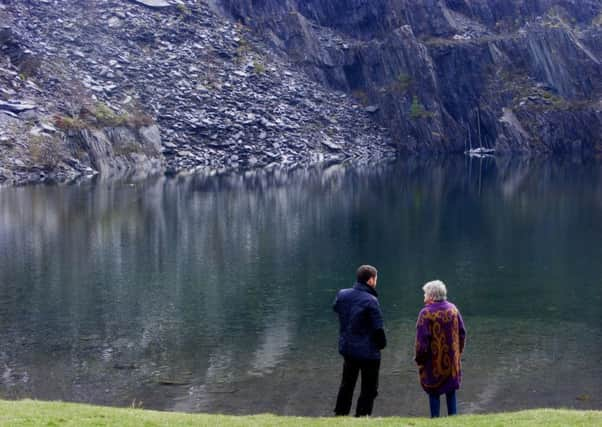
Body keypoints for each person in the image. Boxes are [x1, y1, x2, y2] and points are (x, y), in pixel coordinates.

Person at [333, 265, 387, 417]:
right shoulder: (371, 300)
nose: (376, 282)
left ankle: (340, 415)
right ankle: (362, 417)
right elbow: (378, 328)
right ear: (370, 280)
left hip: (348, 348)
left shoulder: (342, 294)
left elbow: (336, 308)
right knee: (369, 388)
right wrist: (382, 345)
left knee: (347, 384)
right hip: (368, 352)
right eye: (376, 279)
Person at [414, 280, 466, 418]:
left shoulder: (426, 313)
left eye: (425, 293)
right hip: (452, 360)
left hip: (433, 362)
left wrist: (419, 359)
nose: (424, 296)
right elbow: (462, 332)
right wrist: (458, 352)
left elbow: (422, 341)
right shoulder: (453, 309)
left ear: (431, 295)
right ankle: (453, 419)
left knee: (433, 391)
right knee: (451, 391)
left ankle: (435, 420)